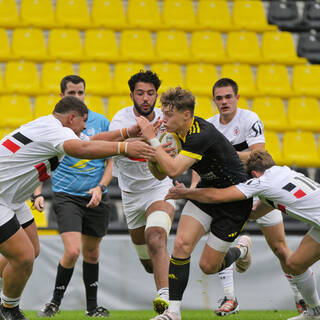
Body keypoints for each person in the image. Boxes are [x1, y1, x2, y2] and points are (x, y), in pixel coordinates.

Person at [0, 95, 154, 320]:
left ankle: (7, 306)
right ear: (71, 118)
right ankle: (8, 310)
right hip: (2, 197)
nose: (84, 129)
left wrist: (127, 134)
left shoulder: (50, 126)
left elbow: (91, 141)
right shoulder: (56, 131)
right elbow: (82, 148)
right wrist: (124, 148)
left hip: (11, 198)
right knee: (23, 258)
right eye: (82, 124)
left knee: (31, 251)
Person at [136, 87, 253, 320]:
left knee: (208, 267)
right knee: (181, 244)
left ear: (186, 115)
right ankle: (173, 312)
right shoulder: (172, 133)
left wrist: (151, 138)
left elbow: (174, 169)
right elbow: (161, 174)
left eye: (169, 115)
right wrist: (153, 155)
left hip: (233, 200)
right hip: (205, 195)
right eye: (163, 113)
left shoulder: (201, 134)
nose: (164, 119)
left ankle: (241, 250)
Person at [193, 78, 305, 316]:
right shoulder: (209, 126)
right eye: (219, 98)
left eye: (228, 97)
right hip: (231, 194)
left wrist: (223, 156)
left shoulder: (249, 119)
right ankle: (230, 297)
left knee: (280, 248)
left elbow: (258, 153)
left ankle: (300, 298)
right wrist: (195, 188)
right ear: (213, 100)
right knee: (220, 242)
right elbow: (197, 163)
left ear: (237, 98)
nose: (224, 102)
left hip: (261, 189)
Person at [166, 151, 320, 320]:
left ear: (253, 174)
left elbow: (216, 195)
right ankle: (314, 313)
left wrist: (185, 193)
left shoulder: (261, 182)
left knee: (295, 264)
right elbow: (257, 212)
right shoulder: (283, 172)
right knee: (294, 264)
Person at [36, 75, 112, 317]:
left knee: (92, 253)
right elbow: (40, 160)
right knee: (72, 251)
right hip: (66, 195)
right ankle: (54, 302)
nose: (77, 97)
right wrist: (37, 193)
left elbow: (110, 162)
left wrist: (100, 187)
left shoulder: (101, 122)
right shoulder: (53, 125)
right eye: (72, 93)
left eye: (80, 92)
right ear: (62, 96)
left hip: (96, 195)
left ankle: (92, 308)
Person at [109, 70, 176, 315]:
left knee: (156, 237)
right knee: (148, 260)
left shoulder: (166, 119)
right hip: (130, 194)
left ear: (156, 95)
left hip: (159, 188)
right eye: (140, 93)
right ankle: (160, 276)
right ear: (132, 95)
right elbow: (108, 144)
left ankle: (167, 304)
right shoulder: (121, 119)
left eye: (150, 93)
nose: (145, 98)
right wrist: (132, 139)